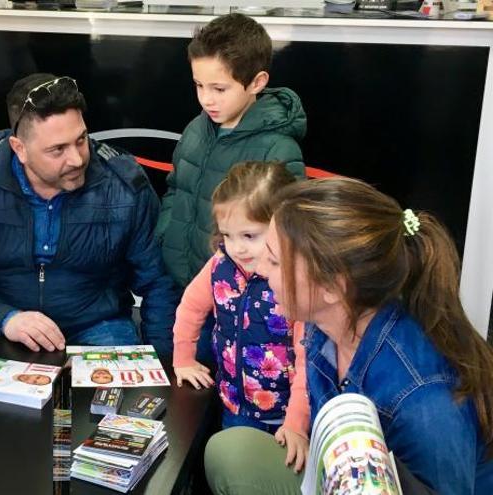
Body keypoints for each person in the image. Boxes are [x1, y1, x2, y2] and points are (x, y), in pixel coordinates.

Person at [0, 73, 179, 394]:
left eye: (81, 140)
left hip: (96, 326)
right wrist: (5, 319)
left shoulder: (124, 185)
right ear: (19, 148)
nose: (76, 159)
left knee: (130, 414)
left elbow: (158, 281)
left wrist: (162, 365)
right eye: (57, 149)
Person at [220, 177, 493, 494]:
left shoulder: (424, 402)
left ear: (332, 288)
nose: (261, 270)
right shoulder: (324, 321)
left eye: (276, 261)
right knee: (230, 451)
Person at [172, 162, 309, 487]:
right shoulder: (220, 265)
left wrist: (297, 423)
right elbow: (190, 307)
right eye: (228, 235)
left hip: (287, 415)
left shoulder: (294, 281)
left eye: (250, 235)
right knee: (233, 473)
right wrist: (183, 358)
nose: (237, 247)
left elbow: (308, 361)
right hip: (235, 405)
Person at [155, 13, 307, 291]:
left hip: (240, 295)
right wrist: (166, 235)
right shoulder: (195, 129)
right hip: (180, 283)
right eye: (199, 85)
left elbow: (289, 233)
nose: (206, 99)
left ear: (257, 83)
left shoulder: (278, 149)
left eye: (219, 88)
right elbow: (176, 189)